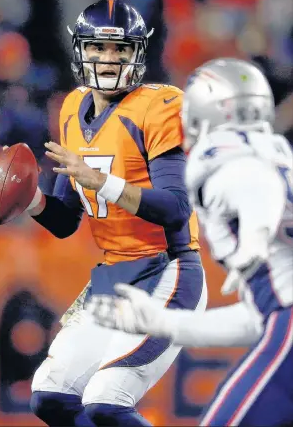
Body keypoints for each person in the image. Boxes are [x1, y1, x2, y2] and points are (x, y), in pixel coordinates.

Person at [0, 0, 207, 427]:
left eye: (120, 49)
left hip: (167, 271)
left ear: (138, 52)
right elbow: (67, 220)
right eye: (99, 48)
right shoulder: (72, 109)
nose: (109, 59)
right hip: (112, 277)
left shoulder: (158, 106)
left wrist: (100, 181)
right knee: (49, 397)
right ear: (80, 50)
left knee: (107, 400)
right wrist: (30, 200)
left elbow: (176, 208)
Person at [86, 58, 293, 426]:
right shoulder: (274, 155)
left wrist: (256, 236)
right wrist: (168, 324)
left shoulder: (231, 160)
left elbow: (252, 182)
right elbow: (260, 318)